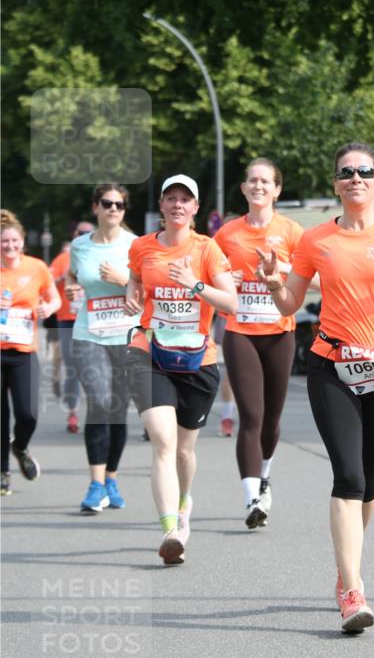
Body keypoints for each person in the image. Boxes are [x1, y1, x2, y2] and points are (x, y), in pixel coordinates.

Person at [256, 143, 374, 631]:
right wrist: (276, 282)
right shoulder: (316, 240)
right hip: (332, 367)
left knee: (371, 484)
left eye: (365, 171)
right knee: (350, 478)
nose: (355, 178)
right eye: (346, 172)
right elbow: (287, 306)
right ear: (336, 183)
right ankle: (354, 591)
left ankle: (344, 575)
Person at [125, 174, 237, 565]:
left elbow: (231, 303)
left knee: (185, 450)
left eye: (184, 200)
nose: (176, 205)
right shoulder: (142, 247)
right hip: (149, 353)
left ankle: (185, 502)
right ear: (162, 205)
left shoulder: (207, 250)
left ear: (195, 208)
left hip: (197, 361)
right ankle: (171, 530)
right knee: (163, 441)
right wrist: (130, 293)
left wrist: (195, 285)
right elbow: (136, 277)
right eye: (170, 198)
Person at [214, 159, 304, 528]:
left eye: (266, 181)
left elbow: (314, 281)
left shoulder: (293, 232)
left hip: (280, 332)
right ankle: (252, 497)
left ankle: (264, 475)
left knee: (272, 419)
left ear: (277, 189)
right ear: (244, 188)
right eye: (252, 180)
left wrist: (281, 270)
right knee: (251, 415)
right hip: (240, 332)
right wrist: (227, 280)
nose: (259, 186)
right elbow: (211, 279)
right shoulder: (227, 235)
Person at [67, 186, 139, 513]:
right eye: (107, 203)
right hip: (89, 333)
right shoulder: (80, 247)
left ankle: (111, 477)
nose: (113, 209)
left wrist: (123, 279)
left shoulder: (136, 245)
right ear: (96, 207)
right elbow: (74, 277)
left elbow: (148, 286)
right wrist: (71, 290)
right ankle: (95, 485)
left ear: (124, 210)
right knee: (98, 403)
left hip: (125, 334)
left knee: (118, 409)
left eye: (119, 204)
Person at [1, 209, 61, 496]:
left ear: (22, 242)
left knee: (28, 414)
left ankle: (20, 446)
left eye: (14, 241)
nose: (10, 246)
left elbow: (55, 298)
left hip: (24, 350)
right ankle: (3, 473)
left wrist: (47, 309)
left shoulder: (36, 267)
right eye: (4, 242)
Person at [49, 222, 94, 433]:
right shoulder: (64, 258)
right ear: (74, 235)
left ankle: (98, 410)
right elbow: (47, 281)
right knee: (72, 365)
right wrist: (63, 276)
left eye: (88, 233)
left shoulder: (98, 255)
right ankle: (73, 411)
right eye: (81, 233)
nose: (84, 235)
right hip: (67, 319)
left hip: (94, 319)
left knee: (95, 367)